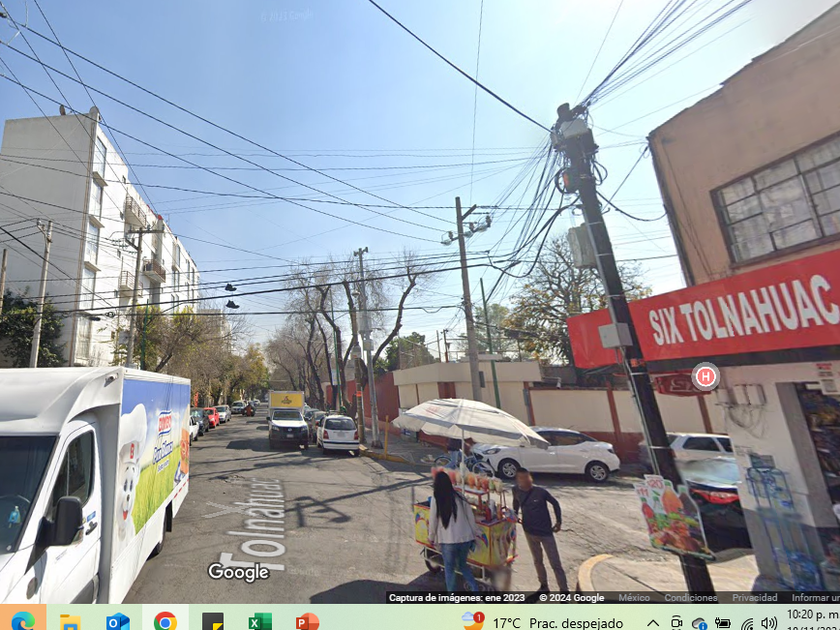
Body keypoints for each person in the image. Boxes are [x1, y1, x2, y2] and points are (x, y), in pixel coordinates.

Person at [512, 468, 569, 593]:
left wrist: (558, 522)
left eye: (526, 477)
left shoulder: (540, 492)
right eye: (521, 478)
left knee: (555, 563)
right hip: (529, 532)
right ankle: (543, 585)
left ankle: (564, 590)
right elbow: (516, 502)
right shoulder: (515, 490)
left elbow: (555, 504)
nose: (525, 480)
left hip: (545, 533)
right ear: (518, 479)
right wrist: (515, 515)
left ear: (530, 478)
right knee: (537, 561)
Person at [428, 471, 481, 592]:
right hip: (465, 539)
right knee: (463, 567)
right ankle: (475, 592)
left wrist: (431, 537)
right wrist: (474, 535)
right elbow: (470, 517)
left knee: (449, 570)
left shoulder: (436, 498)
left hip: (448, 541)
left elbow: (433, 520)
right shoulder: (460, 496)